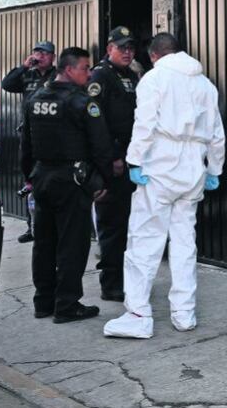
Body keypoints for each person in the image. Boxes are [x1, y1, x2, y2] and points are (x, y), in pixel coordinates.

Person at [103, 33, 225, 339]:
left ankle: (138, 315)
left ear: (154, 55)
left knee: (145, 240)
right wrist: (215, 169)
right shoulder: (205, 85)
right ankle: (184, 313)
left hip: (160, 165)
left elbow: (144, 123)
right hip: (193, 167)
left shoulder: (155, 79)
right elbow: (217, 133)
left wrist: (134, 161)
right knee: (185, 242)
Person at [20, 47, 115, 324]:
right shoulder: (82, 102)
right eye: (85, 68)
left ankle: (43, 301)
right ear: (70, 69)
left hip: (42, 178)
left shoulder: (36, 98)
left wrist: (30, 176)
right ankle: (67, 304)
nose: (88, 74)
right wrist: (103, 181)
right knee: (72, 244)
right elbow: (101, 147)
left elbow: (26, 144)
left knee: (44, 242)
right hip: (72, 181)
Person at [87, 26, 141, 302]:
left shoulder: (130, 75)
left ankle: (125, 278)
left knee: (130, 225)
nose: (127, 52)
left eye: (131, 48)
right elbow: (96, 124)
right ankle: (111, 284)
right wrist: (111, 159)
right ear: (109, 48)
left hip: (132, 162)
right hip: (114, 164)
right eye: (122, 48)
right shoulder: (100, 76)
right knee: (112, 227)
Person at [2, 40, 56, 244]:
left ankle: (47, 225)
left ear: (52, 57)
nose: (39, 56)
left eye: (44, 53)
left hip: (51, 136)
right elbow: (7, 84)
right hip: (29, 136)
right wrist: (24, 66)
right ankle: (31, 226)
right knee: (29, 179)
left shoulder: (56, 75)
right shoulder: (27, 74)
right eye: (37, 52)